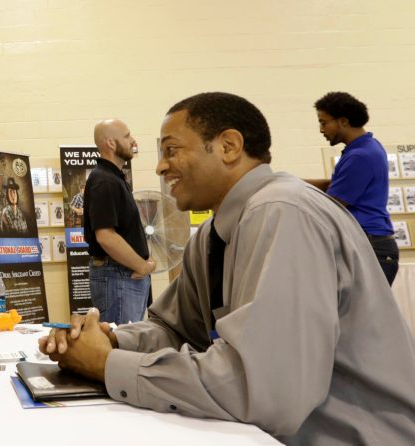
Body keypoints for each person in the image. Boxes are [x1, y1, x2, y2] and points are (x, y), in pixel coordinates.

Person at [40, 93, 415, 445]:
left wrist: (108, 364)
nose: (159, 165)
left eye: (171, 150)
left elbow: (266, 387)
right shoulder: (211, 235)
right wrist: (111, 340)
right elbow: (174, 328)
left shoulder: (283, 213)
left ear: (229, 147)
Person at [306, 92, 398, 284]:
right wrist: (289, 181)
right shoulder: (367, 147)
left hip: (370, 245)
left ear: (343, 121)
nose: (321, 129)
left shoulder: (360, 156)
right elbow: (335, 186)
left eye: (323, 122)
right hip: (370, 243)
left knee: (363, 314)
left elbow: (332, 205)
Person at [84, 119, 155, 324]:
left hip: (124, 277)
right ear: (111, 143)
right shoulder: (104, 180)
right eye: (127, 136)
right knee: (120, 348)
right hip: (118, 278)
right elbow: (106, 237)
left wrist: (146, 262)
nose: (133, 141)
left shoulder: (114, 178)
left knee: (128, 345)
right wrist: (142, 266)